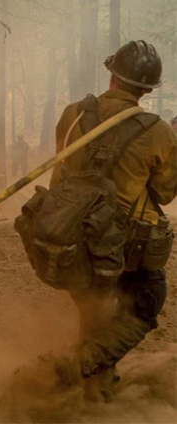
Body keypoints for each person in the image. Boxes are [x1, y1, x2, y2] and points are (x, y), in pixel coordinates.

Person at [50, 40, 177, 400]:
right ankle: (72, 369)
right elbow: (166, 193)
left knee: (93, 308)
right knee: (148, 299)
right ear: (147, 89)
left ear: (112, 77)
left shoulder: (73, 113)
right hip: (120, 246)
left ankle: (95, 390)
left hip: (68, 235)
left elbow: (61, 170)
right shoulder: (157, 131)